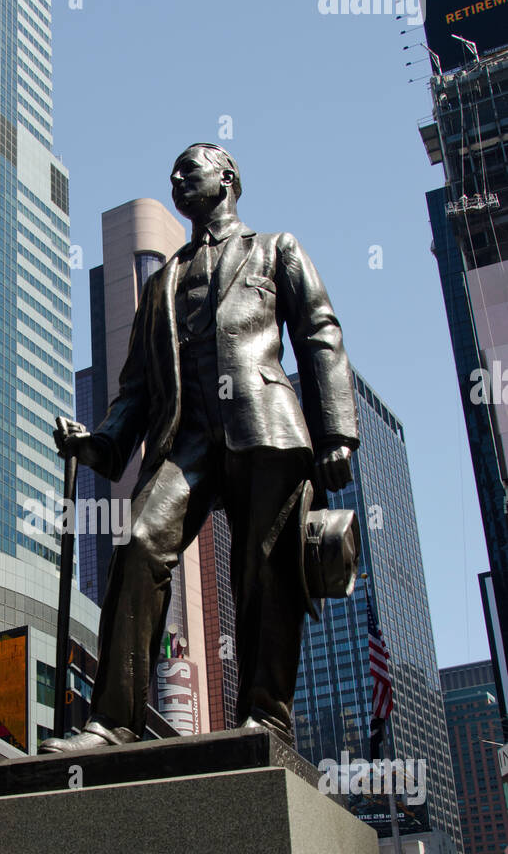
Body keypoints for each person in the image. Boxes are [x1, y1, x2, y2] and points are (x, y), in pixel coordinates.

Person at [41, 144, 358, 754]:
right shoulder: (163, 281)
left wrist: (336, 433)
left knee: (263, 570)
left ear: (229, 177)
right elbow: (135, 386)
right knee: (137, 545)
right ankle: (114, 722)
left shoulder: (276, 249)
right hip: (187, 439)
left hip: (264, 425)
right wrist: (101, 441)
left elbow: (320, 332)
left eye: (192, 168)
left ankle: (266, 716)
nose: (178, 179)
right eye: (173, 174)